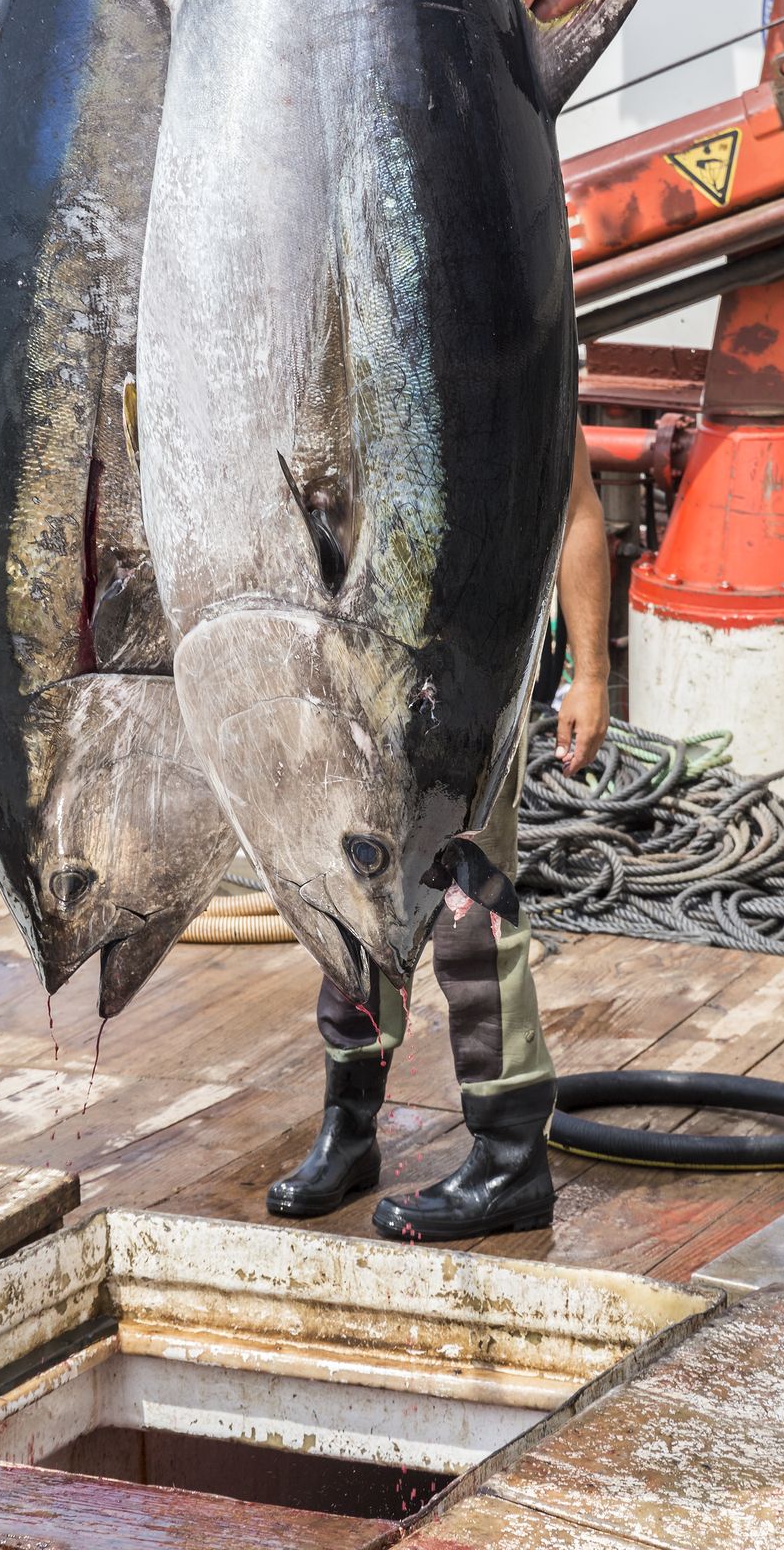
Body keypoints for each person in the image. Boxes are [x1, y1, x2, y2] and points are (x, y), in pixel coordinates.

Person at [267, 420, 611, 1241]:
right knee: (347, 893)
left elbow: (575, 509)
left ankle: (508, 1160)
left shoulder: (506, 326)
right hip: (336, 672)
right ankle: (349, 1133)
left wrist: (591, 673)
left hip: (469, 671)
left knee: (470, 911)